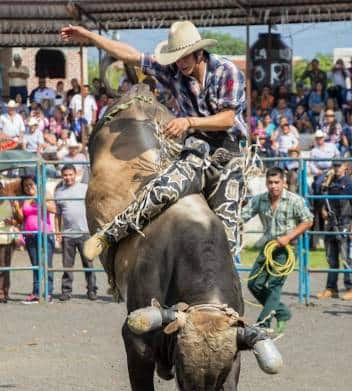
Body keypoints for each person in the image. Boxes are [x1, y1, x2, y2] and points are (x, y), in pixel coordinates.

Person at [61, 20, 247, 259]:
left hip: (229, 152)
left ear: (199, 52)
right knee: (164, 190)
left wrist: (188, 122)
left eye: (185, 57)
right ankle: (108, 236)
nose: (181, 63)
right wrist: (90, 36)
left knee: (227, 239)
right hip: (199, 145)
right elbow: (131, 55)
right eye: (177, 58)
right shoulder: (173, 70)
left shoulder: (227, 71)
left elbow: (228, 119)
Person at [241, 167, 313, 333]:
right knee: (254, 284)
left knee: (274, 285)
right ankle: (282, 311)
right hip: (268, 246)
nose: (273, 186)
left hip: (287, 249)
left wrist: (289, 237)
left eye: (276, 182)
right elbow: (243, 215)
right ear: (266, 183)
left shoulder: (295, 200)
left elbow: (308, 220)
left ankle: (263, 324)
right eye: (270, 182)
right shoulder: (260, 200)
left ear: (284, 183)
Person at [314, 159, 352, 301]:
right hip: (331, 224)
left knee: (346, 258)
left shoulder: (349, 183)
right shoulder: (329, 182)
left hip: (344, 223)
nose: (336, 168)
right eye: (334, 165)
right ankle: (331, 288)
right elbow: (324, 198)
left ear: (345, 167)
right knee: (331, 258)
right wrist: (323, 210)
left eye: (339, 165)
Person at [55, 165, 97, 301]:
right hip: (67, 234)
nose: (68, 177)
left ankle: (92, 290)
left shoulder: (84, 189)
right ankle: (66, 291)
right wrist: (57, 232)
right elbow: (58, 215)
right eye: (65, 175)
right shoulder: (59, 192)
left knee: (88, 263)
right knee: (67, 265)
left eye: (70, 174)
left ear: (75, 174)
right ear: (62, 176)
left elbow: (93, 207)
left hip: (84, 232)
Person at [19, 175, 56, 302]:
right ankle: (36, 292)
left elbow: (54, 209)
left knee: (47, 264)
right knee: (35, 265)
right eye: (26, 185)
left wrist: (39, 200)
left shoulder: (45, 194)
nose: (29, 187)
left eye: (31, 184)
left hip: (45, 233)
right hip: (30, 235)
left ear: (36, 184)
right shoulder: (24, 199)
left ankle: (49, 292)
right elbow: (22, 216)